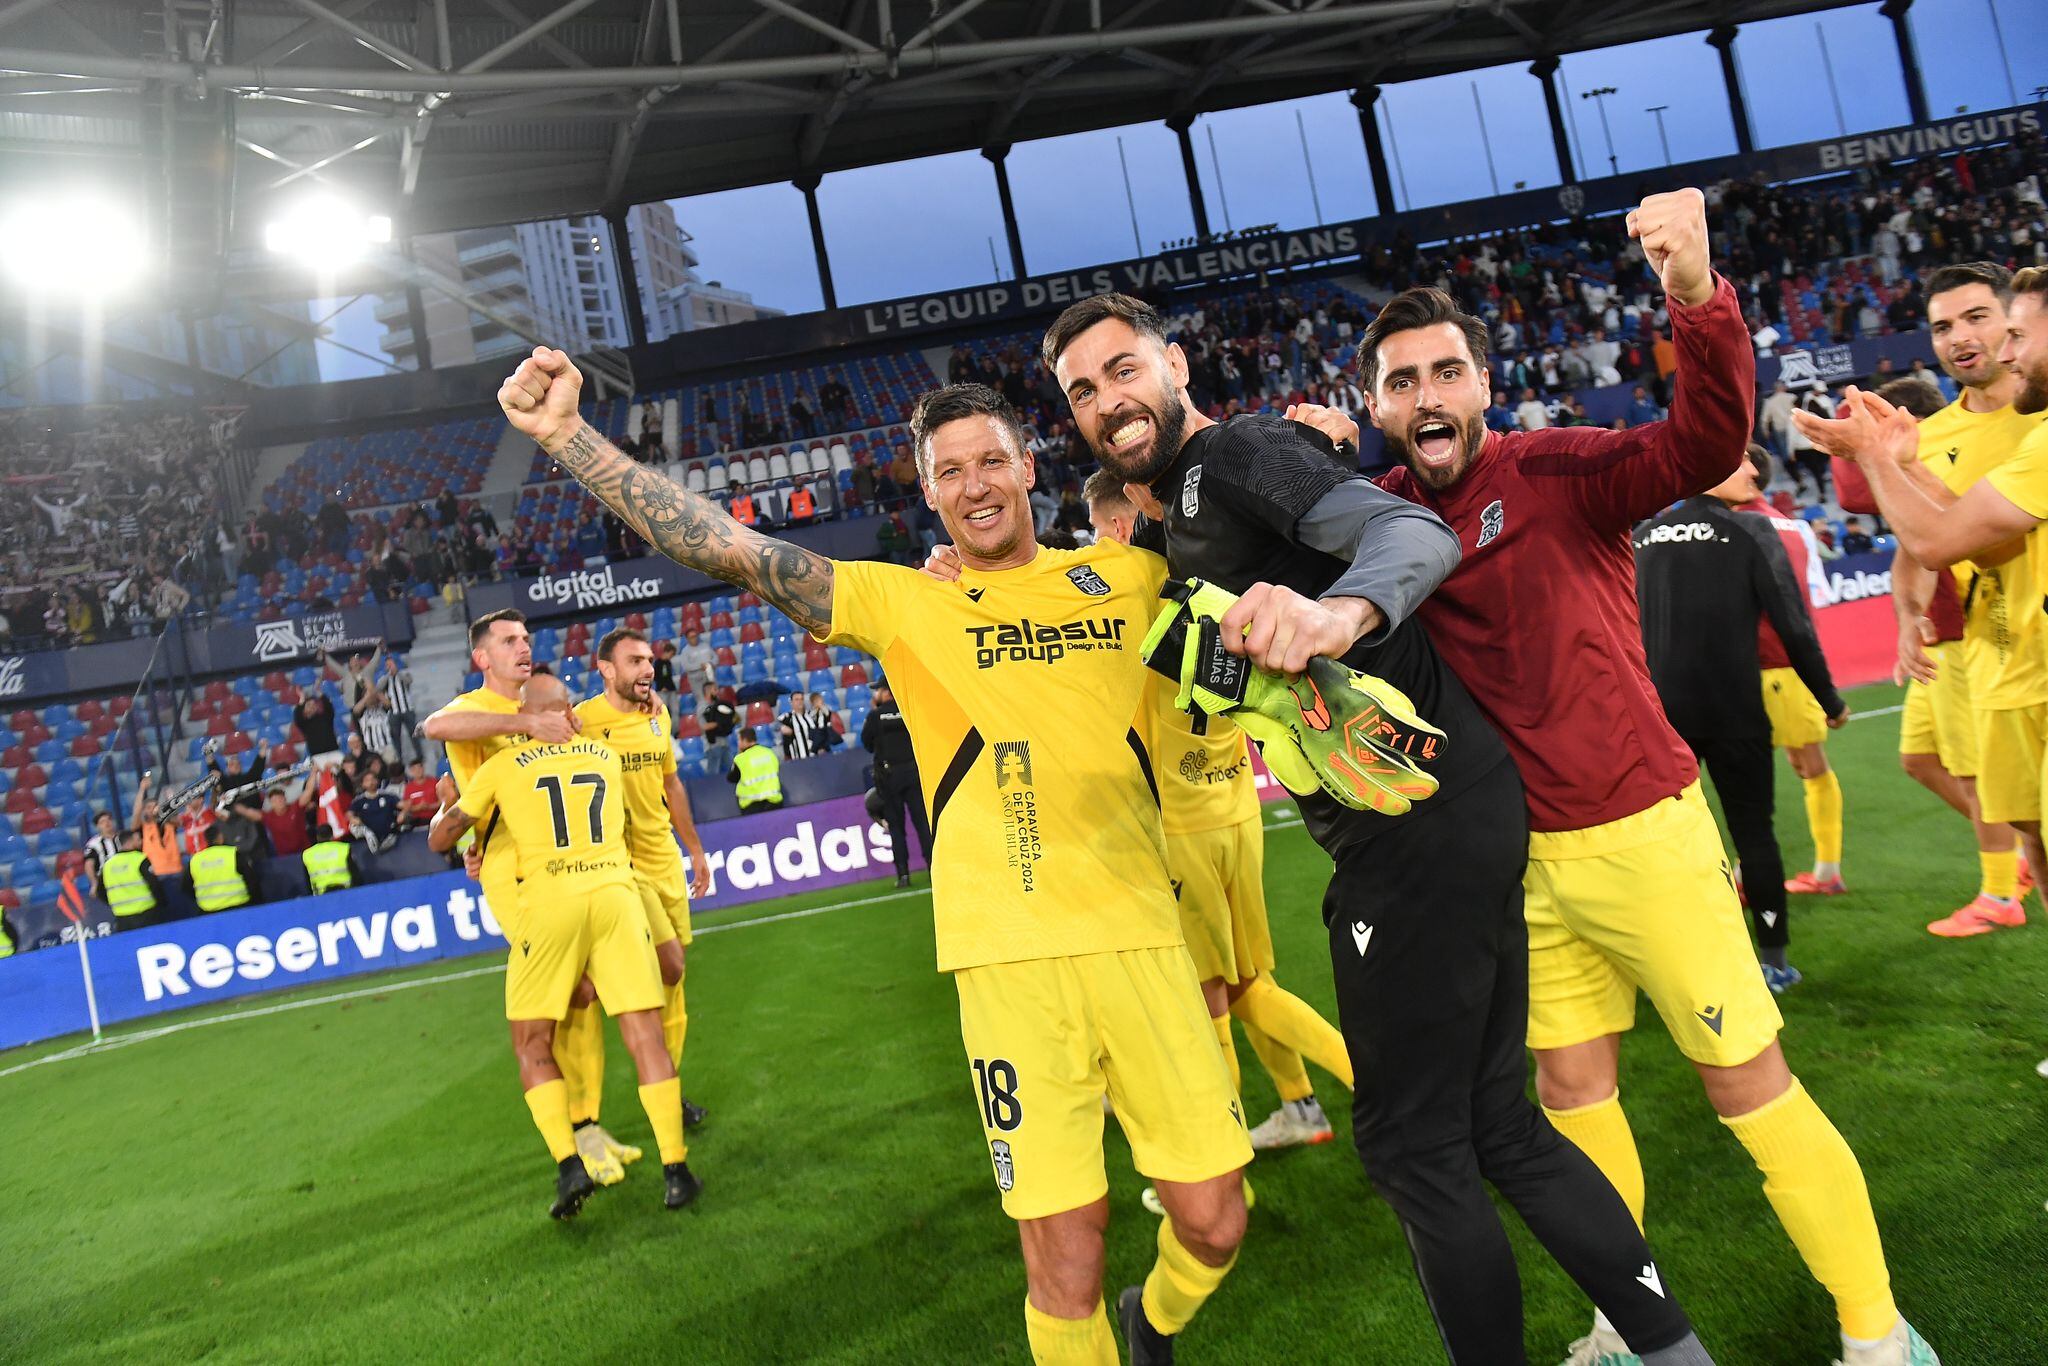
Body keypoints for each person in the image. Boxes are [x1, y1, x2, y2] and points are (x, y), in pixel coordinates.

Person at [505, 348, 1252, 1366]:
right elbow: (728, 548)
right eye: (948, 472)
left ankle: (1152, 1320)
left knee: (1214, 1220)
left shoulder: (1128, 575)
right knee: (1060, 1257)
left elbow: (1243, 536)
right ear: (927, 490)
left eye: (987, 461)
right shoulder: (909, 604)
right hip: (1007, 970)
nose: (972, 485)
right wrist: (566, 439)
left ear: (1026, 466)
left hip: (1146, 942)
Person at [1303, 186, 1930, 1366]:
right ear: (1375, 407)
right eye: (1398, 382)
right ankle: (1623, 1320)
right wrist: (1295, 456)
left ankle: (1877, 1332)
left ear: (1481, 385)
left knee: (1748, 1088)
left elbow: (1700, 444)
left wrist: (1693, 295)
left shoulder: (1560, 471)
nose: (1424, 397)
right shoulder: (1375, 518)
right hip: (1510, 869)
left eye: (1443, 372)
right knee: (1569, 1101)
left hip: (1641, 833)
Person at [1043, 290, 1711, 1366]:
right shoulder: (1186, 516)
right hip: (1456, 811)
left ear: (1171, 365)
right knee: (1501, 1125)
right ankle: (1675, 1350)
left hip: (1411, 839)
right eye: (1081, 391)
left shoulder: (1242, 454)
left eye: (1122, 370)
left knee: (1414, 1147)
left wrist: (1336, 615)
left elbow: (1404, 530)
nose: (1106, 400)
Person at [1081, 471, 1351, 1153]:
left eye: (1096, 529)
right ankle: (1300, 1106)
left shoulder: (1123, 591)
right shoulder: (1214, 579)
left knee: (1218, 996)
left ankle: (1228, 1143)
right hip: (1236, 806)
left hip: (1183, 829)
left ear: (1116, 528)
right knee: (1254, 978)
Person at [1794, 264, 2048, 939]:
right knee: (2035, 842)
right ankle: (2007, 887)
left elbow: (1949, 535)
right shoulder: (1929, 437)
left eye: (1977, 318)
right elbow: (1924, 545)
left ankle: (1996, 895)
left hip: (2034, 664)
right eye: (1942, 327)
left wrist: (1884, 462)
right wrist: (1909, 615)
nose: (1960, 337)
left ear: (2014, 324)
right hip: (1998, 669)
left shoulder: (2043, 421)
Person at [430, 673, 699, 1219]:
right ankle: (676, 1171)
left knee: (532, 1040)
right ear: (566, 714)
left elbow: (442, 837)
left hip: (550, 902)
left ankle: (568, 1164)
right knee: (644, 1033)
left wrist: (449, 808)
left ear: (527, 717)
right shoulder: (600, 755)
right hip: (615, 895)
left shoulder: (501, 767)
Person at [421, 610, 637, 1186]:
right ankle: (570, 1145)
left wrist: (648, 704)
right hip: (511, 869)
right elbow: (434, 728)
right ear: (482, 658)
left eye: (526, 639)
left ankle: (588, 1126)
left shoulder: (547, 706)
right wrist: (525, 725)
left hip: (569, 864)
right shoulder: (473, 709)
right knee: (572, 991)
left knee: (585, 1001)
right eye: (508, 641)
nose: (524, 647)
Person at [1636, 448, 1848, 995]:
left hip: (1663, 715)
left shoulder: (1643, 537)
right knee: (1754, 833)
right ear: (1710, 470)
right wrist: (1829, 697)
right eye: (1741, 464)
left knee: (1666, 840)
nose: (1755, 472)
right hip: (1734, 709)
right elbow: (1793, 624)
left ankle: (1674, 961)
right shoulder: (1751, 531)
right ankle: (1774, 960)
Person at [576, 627, 713, 1098]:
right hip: (613, 868)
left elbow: (671, 785)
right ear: (606, 669)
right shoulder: (578, 722)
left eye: (649, 660)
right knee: (612, 984)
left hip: (662, 859)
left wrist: (693, 849)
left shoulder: (658, 717)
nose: (648, 669)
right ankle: (586, 1111)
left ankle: (669, 1087)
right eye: (635, 661)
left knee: (674, 980)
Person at [1725, 445, 1853, 903]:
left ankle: (1748, 876)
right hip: (1794, 664)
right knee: (1807, 764)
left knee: (1745, 774)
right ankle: (1825, 868)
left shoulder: (1736, 526)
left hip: (1759, 664)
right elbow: (1811, 593)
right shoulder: (1794, 527)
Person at [859, 681, 929, 888]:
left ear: (886, 692)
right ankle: (933, 868)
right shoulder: (907, 710)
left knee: (897, 827)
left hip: (890, 778)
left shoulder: (875, 716)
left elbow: (867, 744)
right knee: (923, 824)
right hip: (913, 773)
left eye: (878, 691)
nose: (876, 695)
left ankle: (904, 875)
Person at [99, 829, 164, 930]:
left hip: (122, 918)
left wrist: (115, 904)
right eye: (138, 839)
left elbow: (100, 892)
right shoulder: (140, 859)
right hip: (146, 914)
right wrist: (162, 904)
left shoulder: (108, 865)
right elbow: (154, 885)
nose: (141, 841)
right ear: (129, 842)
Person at [187, 826, 257, 913]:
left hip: (209, 911)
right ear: (220, 837)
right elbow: (251, 879)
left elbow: (186, 887)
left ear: (206, 840)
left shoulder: (195, 860)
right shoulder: (232, 854)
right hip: (238, 907)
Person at [379, 655, 422, 766]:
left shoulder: (404, 675)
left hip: (407, 709)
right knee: (396, 738)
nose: (390, 666)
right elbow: (378, 688)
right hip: (393, 712)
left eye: (391, 664)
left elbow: (409, 680)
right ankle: (399, 759)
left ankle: (420, 756)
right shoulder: (384, 679)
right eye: (388, 665)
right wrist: (389, 675)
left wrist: (397, 672)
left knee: (414, 734)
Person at [726, 730, 783, 814]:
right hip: (774, 802)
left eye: (739, 740)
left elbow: (731, 778)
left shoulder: (740, 759)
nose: (738, 743)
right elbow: (776, 769)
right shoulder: (769, 752)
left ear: (744, 740)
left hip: (751, 805)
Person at [350, 770, 403, 853]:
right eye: (367, 780)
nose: (371, 782)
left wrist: (403, 813)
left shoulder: (388, 795)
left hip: (391, 836)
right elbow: (349, 814)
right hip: (370, 838)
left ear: (377, 780)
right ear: (362, 784)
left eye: (373, 779)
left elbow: (405, 805)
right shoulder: (358, 801)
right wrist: (352, 818)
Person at [778, 690, 839, 760]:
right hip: (799, 759)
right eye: (796, 699)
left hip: (817, 757)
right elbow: (774, 726)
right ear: (791, 702)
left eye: (801, 699)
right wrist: (781, 728)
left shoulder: (812, 715)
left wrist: (820, 705)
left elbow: (825, 721)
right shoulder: (787, 717)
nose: (799, 701)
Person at [262, 784, 313, 857]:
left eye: (280, 799)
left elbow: (308, 792)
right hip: (285, 858)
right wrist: (239, 807)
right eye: (274, 800)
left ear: (285, 799)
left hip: (305, 852)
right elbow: (248, 812)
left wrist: (313, 773)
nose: (278, 802)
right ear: (271, 803)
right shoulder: (268, 816)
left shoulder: (295, 808)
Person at [698, 683, 738, 775]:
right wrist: (720, 722)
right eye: (715, 690)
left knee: (732, 769)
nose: (717, 692)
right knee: (713, 772)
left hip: (724, 743)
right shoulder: (702, 707)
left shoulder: (719, 705)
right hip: (713, 745)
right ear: (708, 691)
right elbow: (704, 726)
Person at [294, 689, 342, 765]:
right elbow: (297, 716)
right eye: (309, 705)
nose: (312, 706)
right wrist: (302, 700)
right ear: (304, 709)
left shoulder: (325, 717)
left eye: (314, 704)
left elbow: (329, 708)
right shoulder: (304, 723)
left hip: (333, 752)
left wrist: (320, 694)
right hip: (317, 757)